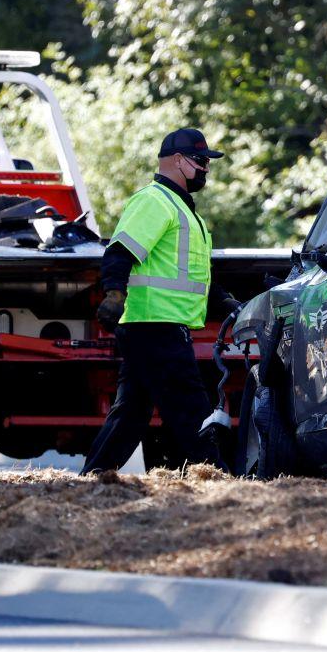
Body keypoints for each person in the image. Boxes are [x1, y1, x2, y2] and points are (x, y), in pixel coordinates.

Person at [81, 127, 240, 474]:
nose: (205, 169)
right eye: (200, 161)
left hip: (154, 325)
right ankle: (215, 477)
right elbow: (119, 252)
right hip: (155, 325)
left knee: (131, 413)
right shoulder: (154, 202)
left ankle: (91, 478)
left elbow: (196, 276)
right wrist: (114, 293)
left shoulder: (186, 212)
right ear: (178, 161)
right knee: (190, 406)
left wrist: (227, 302)